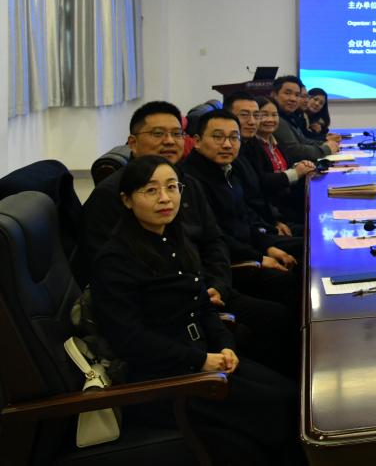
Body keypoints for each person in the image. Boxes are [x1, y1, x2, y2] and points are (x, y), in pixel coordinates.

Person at [91, 155, 299, 464]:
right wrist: (200, 360)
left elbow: (201, 306)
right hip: (165, 381)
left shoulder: (175, 239)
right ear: (127, 200)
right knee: (280, 410)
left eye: (172, 187)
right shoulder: (115, 260)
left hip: (202, 359)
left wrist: (225, 345)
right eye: (151, 190)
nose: (165, 198)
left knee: (294, 396)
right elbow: (130, 340)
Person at [81, 101, 296, 378]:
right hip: (171, 312)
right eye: (158, 134)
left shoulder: (186, 183)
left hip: (204, 290)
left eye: (176, 134)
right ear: (133, 142)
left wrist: (218, 285)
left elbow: (213, 240)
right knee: (275, 320)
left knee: (285, 311)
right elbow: (116, 284)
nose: (170, 141)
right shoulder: (110, 196)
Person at [178, 111, 301, 311]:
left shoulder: (228, 169)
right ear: (197, 141)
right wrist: (260, 257)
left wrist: (267, 247)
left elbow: (244, 217)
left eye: (234, 138)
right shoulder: (191, 181)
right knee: (291, 284)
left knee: (308, 251)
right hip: (230, 264)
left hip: (249, 246)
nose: (227, 144)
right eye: (218, 137)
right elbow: (217, 236)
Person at [225, 91, 314, 228]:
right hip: (262, 221)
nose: (252, 121)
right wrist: (274, 223)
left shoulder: (253, 144)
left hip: (269, 216)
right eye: (244, 115)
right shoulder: (239, 151)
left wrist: (300, 166)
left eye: (256, 115)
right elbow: (259, 188)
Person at [270, 75, 340, 162]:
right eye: (287, 93)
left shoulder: (289, 116)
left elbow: (303, 140)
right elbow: (295, 150)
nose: (293, 99)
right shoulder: (275, 118)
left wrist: (325, 143)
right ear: (274, 95)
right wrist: (326, 149)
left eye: (297, 95)